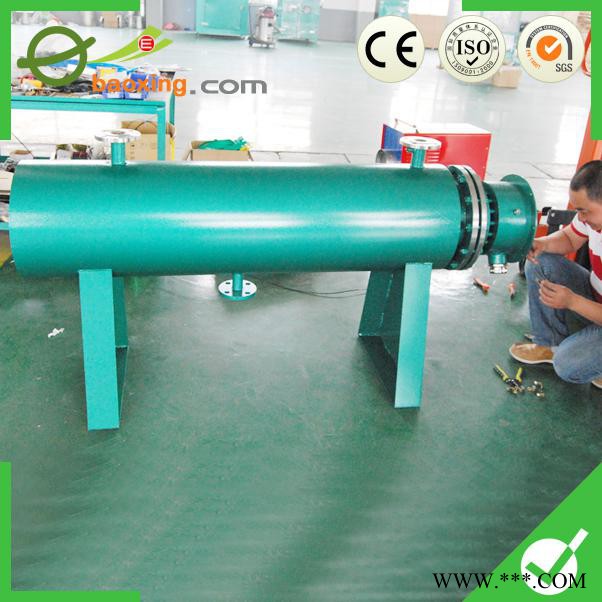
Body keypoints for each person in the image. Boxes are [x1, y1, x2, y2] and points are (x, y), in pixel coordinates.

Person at [509, 160, 602, 388]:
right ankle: (549, 344)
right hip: (595, 297)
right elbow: (570, 238)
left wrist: (572, 301)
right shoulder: (592, 219)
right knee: (541, 262)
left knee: (568, 365)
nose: (581, 218)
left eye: (584, 211)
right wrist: (542, 243)